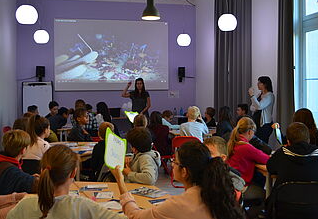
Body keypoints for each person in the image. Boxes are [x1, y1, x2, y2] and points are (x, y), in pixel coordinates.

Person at [112, 140, 244, 219]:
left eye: (174, 162)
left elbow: (136, 216)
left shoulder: (181, 203)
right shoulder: (216, 191)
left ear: (184, 171)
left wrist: (120, 181)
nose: (172, 165)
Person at [6, 145, 126, 219]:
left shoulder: (23, 206)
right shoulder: (82, 207)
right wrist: (120, 181)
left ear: (42, 170)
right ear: (73, 173)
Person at [226, 117, 269, 216]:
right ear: (249, 132)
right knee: (268, 196)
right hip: (241, 187)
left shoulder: (234, 143)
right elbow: (267, 159)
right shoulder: (246, 147)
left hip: (231, 184)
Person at [267, 122, 318, 189]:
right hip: (317, 198)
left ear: (288, 142)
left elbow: (270, 168)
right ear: (308, 140)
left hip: (285, 197)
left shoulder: (281, 153)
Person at [0, 130, 38, 196]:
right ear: (23, 150)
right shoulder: (11, 170)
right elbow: (35, 184)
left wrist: (28, 177)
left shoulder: (0, 164)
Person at [248, 76, 275, 143]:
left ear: (265, 84)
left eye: (259, 83)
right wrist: (256, 106)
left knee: (262, 143)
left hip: (264, 124)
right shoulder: (260, 94)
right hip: (256, 122)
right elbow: (252, 107)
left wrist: (252, 96)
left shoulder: (270, 95)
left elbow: (259, 106)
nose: (257, 84)